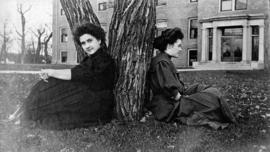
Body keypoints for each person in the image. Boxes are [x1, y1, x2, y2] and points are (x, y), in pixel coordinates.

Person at [9, 22, 116, 130]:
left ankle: (24, 116)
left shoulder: (104, 60)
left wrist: (51, 72)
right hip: (85, 94)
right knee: (47, 85)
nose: (87, 46)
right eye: (83, 43)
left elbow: (78, 74)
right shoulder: (90, 59)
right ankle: (22, 114)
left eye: (90, 41)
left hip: (97, 102)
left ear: (99, 40)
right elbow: (76, 73)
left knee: (53, 104)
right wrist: (52, 75)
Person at [146, 28, 236, 129]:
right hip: (170, 106)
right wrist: (190, 99)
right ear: (169, 45)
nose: (181, 49)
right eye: (179, 46)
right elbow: (171, 90)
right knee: (211, 101)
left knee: (208, 90)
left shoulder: (164, 59)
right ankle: (225, 115)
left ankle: (221, 109)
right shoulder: (161, 62)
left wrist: (193, 94)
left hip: (176, 99)